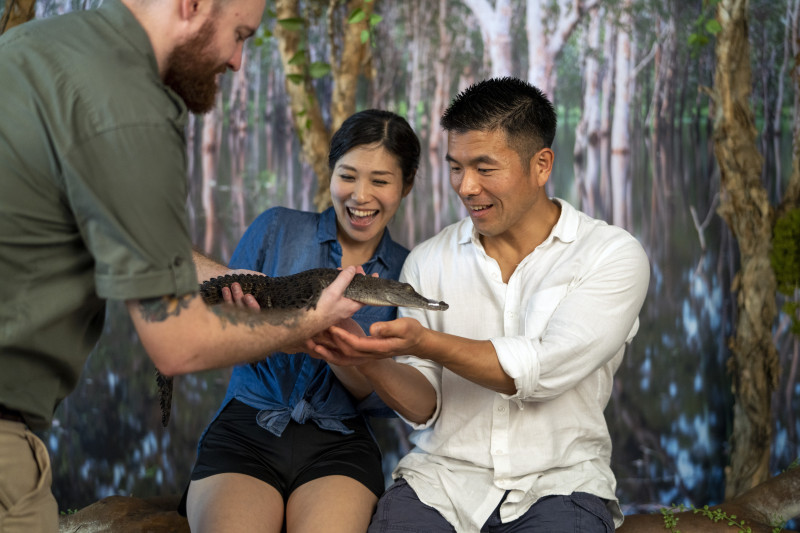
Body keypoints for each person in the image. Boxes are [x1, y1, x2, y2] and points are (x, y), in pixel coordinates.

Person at [0, 1, 364, 531]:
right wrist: (305, 323)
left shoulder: (36, 51)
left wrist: (245, 284)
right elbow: (177, 343)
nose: (239, 61)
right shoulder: (131, 99)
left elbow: (130, 234)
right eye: (239, 35)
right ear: (192, 5)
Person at [314, 77, 651, 532]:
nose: (466, 187)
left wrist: (430, 342)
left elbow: (544, 369)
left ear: (542, 165)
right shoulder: (428, 260)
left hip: (560, 485)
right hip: (438, 483)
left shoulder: (610, 254)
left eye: (485, 168)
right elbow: (423, 407)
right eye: (455, 167)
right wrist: (367, 359)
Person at [182, 109, 420, 533]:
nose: (360, 196)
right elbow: (212, 329)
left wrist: (346, 353)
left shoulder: (408, 270)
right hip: (247, 427)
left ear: (406, 185)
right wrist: (269, 333)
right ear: (330, 173)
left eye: (380, 181)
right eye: (347, 176)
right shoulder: (276, 228)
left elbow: (392, 402)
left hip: (340, 444)